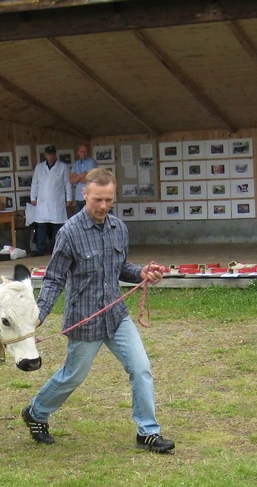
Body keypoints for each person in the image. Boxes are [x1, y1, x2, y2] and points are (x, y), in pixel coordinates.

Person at [22, 167, 175, 453]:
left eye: (108, 200)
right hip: (84, 319)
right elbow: (55, 278)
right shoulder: (69, 233)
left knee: (141, 368)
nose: (103, 206)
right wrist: (38, 314)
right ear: (85, 194)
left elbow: (122, 268)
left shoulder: (119, 229)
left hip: (116, 317)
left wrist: (142, 272)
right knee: (73, 376)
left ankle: (148, 432)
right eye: (97, 200)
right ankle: (36, 412)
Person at [29, 145, 71, 256]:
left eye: (52, 154)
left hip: (57, 201)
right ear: (45, 155)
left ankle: (57, 249)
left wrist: (69, 198)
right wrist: (33, 197)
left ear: (55, 154)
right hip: (43, 201)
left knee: (57, 226)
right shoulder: (39, 167)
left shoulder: (63, 167)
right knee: (41, 226)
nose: (50, 156)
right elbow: (35, 183)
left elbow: (67, 183)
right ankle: (40, 249)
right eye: (48, 154)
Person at [68, 143, 95, 216]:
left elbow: (89, 180)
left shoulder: (91, 162)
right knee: (79, 220)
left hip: (89, 195)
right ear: (78, 152)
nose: (84, 154)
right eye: (82, 152)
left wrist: (77, 177)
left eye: (86, 152)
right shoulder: (76, 164)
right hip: (79, 196)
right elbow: (71, 180)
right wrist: (82, 175)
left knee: (90, 218)